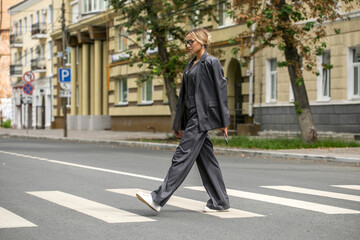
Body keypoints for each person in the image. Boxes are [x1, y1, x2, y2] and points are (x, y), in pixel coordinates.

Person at [136, 28, 230, 213]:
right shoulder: (190, 65)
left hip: (202, 117)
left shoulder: (211, 62)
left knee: (182, 155)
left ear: (202, 41)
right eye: (186, 42)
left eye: (191, 42)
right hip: (191, 118)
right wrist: (178, 124)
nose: (187, 45)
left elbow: (221, 92)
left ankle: (158, 198)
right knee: (206, 160)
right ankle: (220, 201)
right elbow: (184, 98)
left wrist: (224, 121)